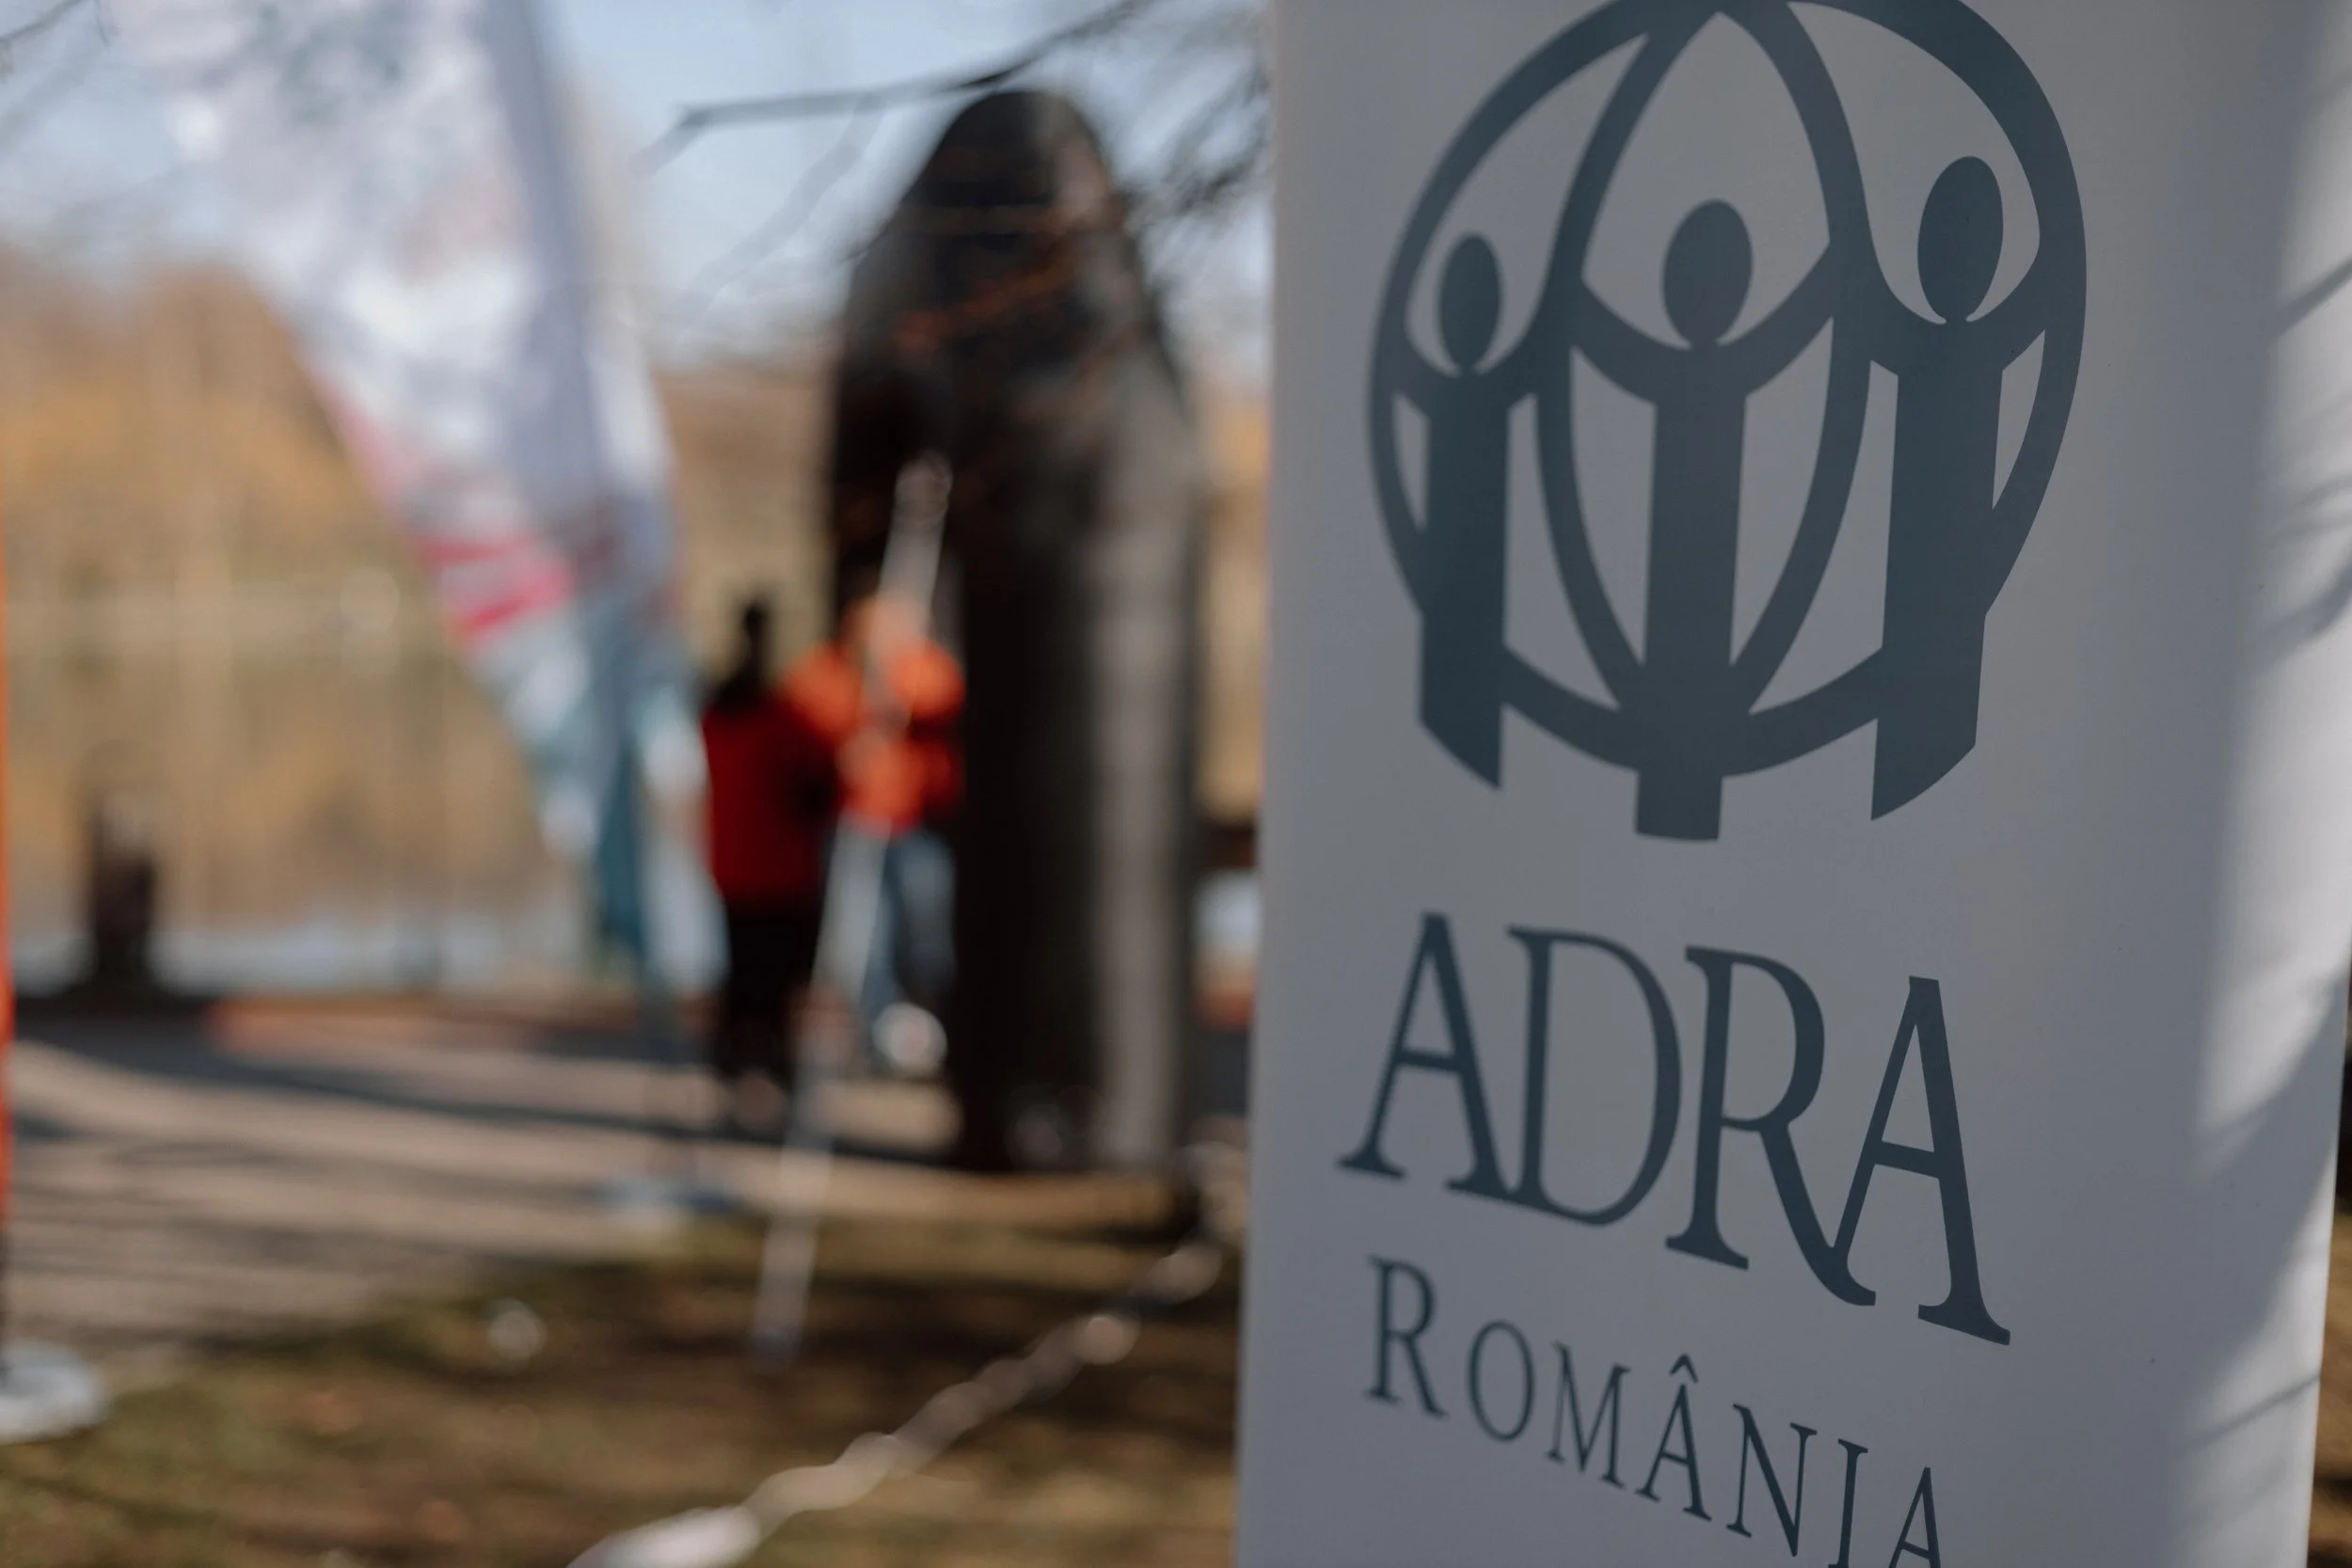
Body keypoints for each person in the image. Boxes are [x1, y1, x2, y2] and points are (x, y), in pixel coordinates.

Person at [784, 578, 962, 1064]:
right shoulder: (825, 673)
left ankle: (936, 1021)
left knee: (927, 928)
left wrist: (895, 691)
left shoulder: (925, 668)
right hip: (853, 826)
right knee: (860, 940)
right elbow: (802, 726)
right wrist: (842, 746)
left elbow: (945, 704)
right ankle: (877, 1034)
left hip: (914, 825)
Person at [700, 597, 834, 1128]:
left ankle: (738, 1074)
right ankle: (769, 1075)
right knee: (777, 984)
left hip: (737, 868)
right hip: (780, 871)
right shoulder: (781, 718)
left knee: (743, 978)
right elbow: (816, 786)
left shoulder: (718, 714)